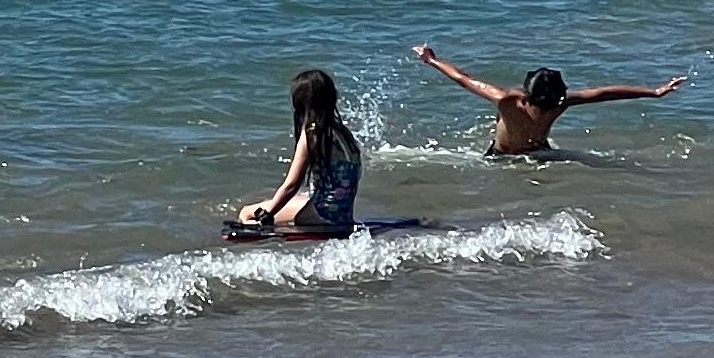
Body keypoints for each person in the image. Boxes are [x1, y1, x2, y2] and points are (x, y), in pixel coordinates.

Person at [411, 44, 686, 156]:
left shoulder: (508, 101)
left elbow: (464, 79)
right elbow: (604, 93)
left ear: (527, 92)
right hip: (541, 153)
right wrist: (655, 92)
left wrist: (432, 60)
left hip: (502, 157)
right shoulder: (560, 102)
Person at [231, 67, 362, 239]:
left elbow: (291, 185)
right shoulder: (342, 132)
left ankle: (257, 235)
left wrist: (266, 215)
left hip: (320, 217)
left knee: (247, 212)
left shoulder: (312, 134)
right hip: (343, 215)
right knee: (295, 198)